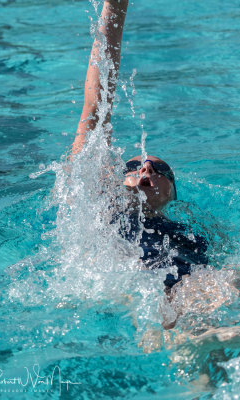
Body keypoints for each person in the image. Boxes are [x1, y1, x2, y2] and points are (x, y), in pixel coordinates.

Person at [70, 0, 210, 297]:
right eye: (134, 167)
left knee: (230, 280)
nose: (146, 168)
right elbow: (95, 106)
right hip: (132, 286)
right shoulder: (98, 209)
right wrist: (115, 7)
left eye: (159, 169)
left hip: (187, 285)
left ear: (172, 193)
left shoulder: (191, 236)